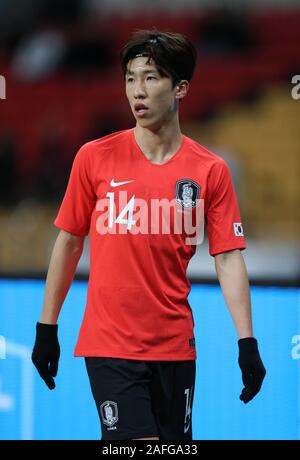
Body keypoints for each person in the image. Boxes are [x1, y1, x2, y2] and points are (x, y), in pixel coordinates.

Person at [32, 30, 266, 441]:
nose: (137, 91)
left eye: (151, 78)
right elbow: (69, 242)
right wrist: (46, 328)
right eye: (130, 78)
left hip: (176, 348)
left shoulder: (210, 170)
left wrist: (247, 341)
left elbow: (227, 257)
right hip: (110, 347)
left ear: (180, 88)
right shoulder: (94, 157)